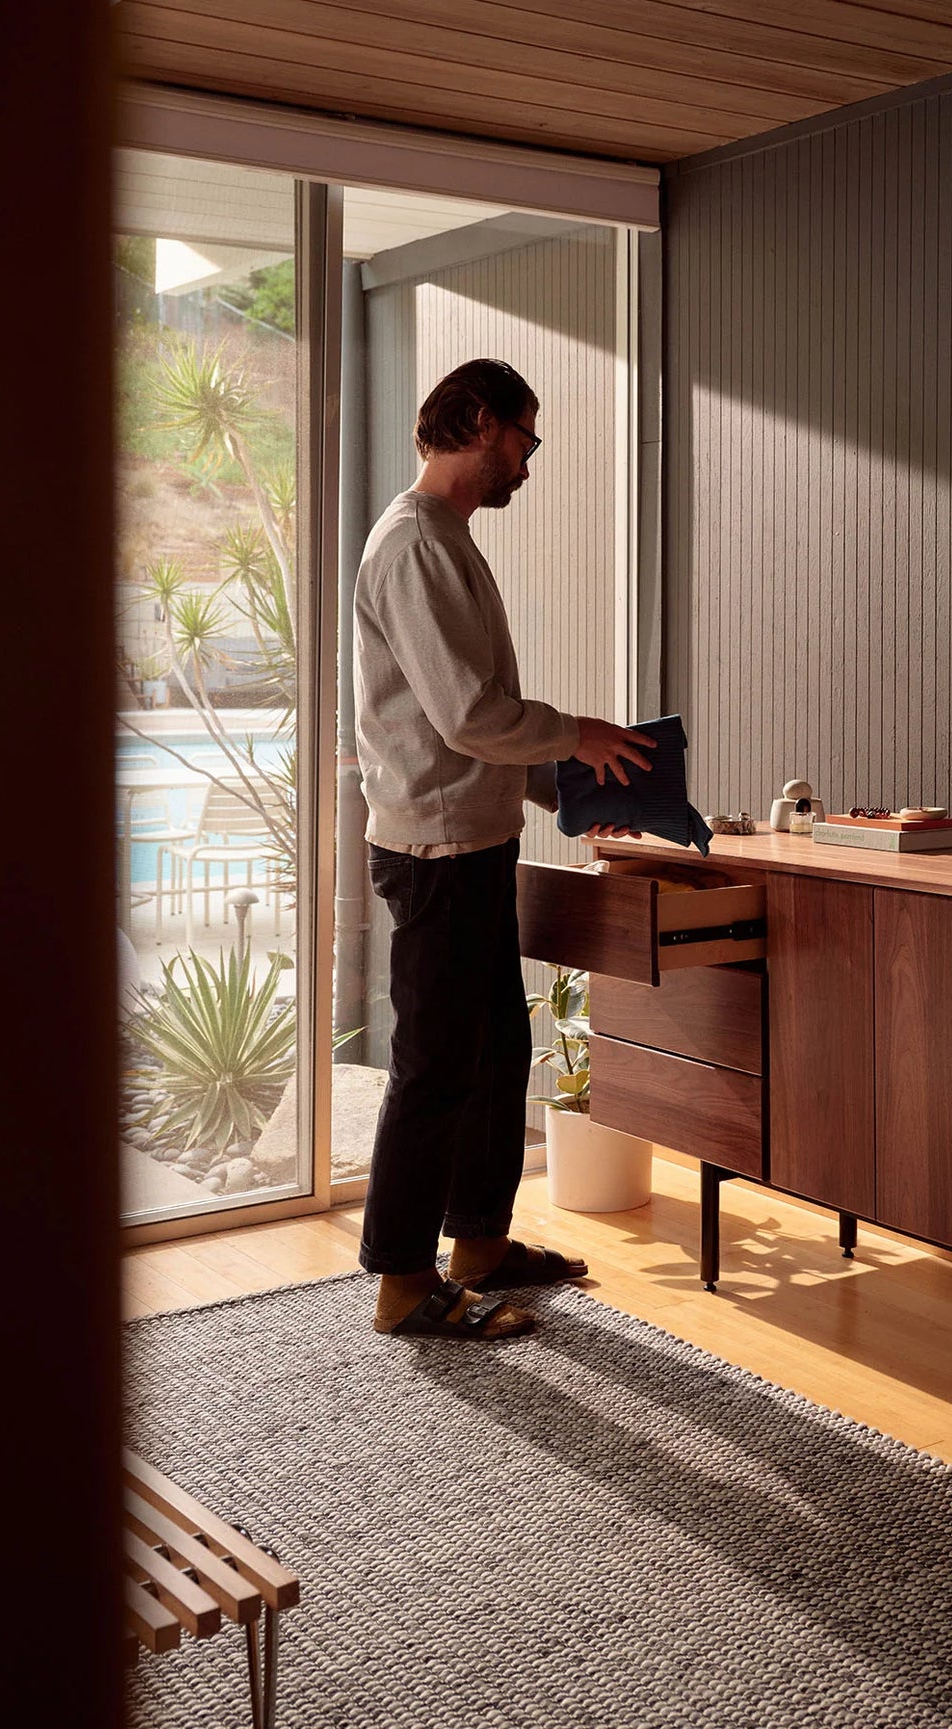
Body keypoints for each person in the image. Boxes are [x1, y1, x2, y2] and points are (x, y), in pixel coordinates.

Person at [352, 358, 654, 1340]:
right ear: (476, 422)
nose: (527, 459)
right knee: (436, 1066)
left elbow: (468, 732)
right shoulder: (412, 544)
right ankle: (403, 1282)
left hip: (474, 838)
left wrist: (568, 792)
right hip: (434, 851)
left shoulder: (447, 539)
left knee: (495, 1052)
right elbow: (470, 714)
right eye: (524, 436)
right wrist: (580, 736)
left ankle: (477, 1243)